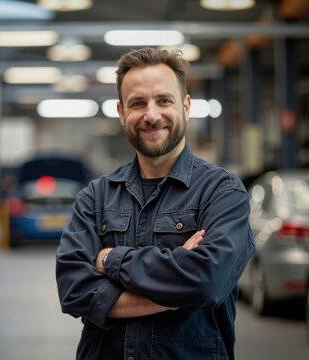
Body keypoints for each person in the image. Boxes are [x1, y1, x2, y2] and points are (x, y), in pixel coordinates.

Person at [55, 47, 255, 360]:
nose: (151, 115)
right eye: (138, 103)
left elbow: (207, 283)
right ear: (121, 113)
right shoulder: (95, 197)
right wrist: (177, 289)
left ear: (186, 106)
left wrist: (111, 260)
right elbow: (74, 290)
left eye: (164, 100)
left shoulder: (223, 193)